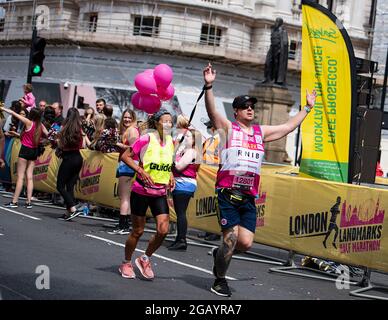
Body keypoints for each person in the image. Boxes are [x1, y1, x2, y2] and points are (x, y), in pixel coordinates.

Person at [202, 63, 316, 297]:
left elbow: (287, 127)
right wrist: (209, 85)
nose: (250, 109)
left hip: (248, 197)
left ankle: (221, 252)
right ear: (236, 111)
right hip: (228, 192)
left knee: (245, 243)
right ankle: (219, 279)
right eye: (245, 107)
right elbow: (213, 112)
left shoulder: (259, 132)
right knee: (231, 238)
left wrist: (307, 108)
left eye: (252, 106)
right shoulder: (228, 129)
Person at [118, 109, 175, 280]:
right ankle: (126, 263)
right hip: (141, 190)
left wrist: (170, 174)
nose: (168, 124)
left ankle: (145, 258)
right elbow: (125, 156)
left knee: (163, 230)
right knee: (138, 231)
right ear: (157, 123)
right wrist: (139, 170)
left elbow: (165, 161)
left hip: (159, 192)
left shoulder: (171, 141)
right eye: (165, 121)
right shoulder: (146, 138)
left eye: (170, 122)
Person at [1, 107, 48, 208]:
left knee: (20, 177)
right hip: (34, 151)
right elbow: (48, 135)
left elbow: (14, 113)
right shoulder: (40, 125)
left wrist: (2, 108)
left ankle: (14, 201)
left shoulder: (28, 122)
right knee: (30, 177)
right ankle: (28, 202)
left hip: (25, 149)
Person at [168, 123, 201, 251]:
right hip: (181, 183)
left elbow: (178, 166)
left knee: (181, 212)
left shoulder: (192, 151)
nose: (185, 138)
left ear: (194, 140)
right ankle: (179, 239)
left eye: (188, 136)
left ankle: (182, 240)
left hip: (184, 184)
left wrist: (170, 159)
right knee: (179, 212)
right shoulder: (184, 151)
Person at [110, 109, 140, 235]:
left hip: (129, 164)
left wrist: (118, 144)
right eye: (125, 117)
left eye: (129, 117)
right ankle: (125, 224)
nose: (127, 119)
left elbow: (134, 148)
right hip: (125, 164)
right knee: (124, 196)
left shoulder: (132, 130)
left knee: (124, 197)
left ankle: (123, 225)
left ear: (133, 118)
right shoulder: (128, 130)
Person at [56, 108, 86, 220]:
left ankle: (73, 209)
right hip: (78, 158)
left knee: (60, 185)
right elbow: (82, 144)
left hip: (69, 158)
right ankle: (69, 213)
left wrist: (57, 140)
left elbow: (61, 145)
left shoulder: (65, 128)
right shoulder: (79, 129)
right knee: (69, 186)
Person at [262, 17, 288, 85]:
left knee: (276, 65)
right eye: (275, 21)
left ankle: (275, 79)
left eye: (277, 22)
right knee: (268, 63)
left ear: (280, 23)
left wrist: (280, 50)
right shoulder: (273, 30)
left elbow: (285, 42)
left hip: (278, 49)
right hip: (272, 48)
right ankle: (267, 78)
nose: (275, 23)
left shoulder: (283, 31)